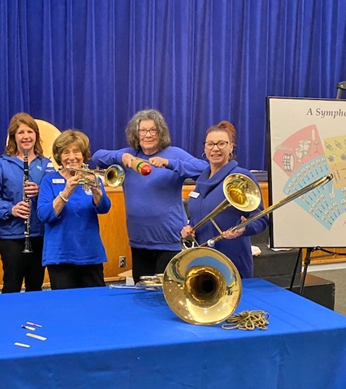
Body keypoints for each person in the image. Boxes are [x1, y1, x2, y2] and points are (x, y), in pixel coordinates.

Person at [91, 109, 208, 283]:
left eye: (153, 130)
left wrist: (169, 163)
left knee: (168, 292)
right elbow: (97, 157)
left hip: (170, 241)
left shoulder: (175, 154)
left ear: (161, 133)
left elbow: (205, 169)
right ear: (136, 134)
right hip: (139, 242)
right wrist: (120, 156)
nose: (148, 135)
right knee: (143, 292)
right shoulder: (130, 155)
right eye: (143, 130)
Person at [181, 121, 268, 278]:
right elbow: (199, 215)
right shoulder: (201, 179)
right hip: (203, 261)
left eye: (221, 143)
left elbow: (261, 220)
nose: (215, 149)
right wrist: (190, 228)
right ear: (205, 148)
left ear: (231, 147)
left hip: (233, 262)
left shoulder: (241, 177)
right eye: (210, 144)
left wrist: (244, 228)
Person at [0, 113, 54, 293]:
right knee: (11, 284)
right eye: (21, 132)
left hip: (39, 234)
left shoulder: (47, 164)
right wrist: (11, 209)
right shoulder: (1, 165)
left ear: (36, 135)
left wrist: (41, 191)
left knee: (35, 285)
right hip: (11, 235)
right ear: (13, 137)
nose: (26, 136)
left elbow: (55, 197)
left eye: (30, 132)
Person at [37, 129, 111, 289]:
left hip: (90, 254)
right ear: (59, 157)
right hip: (60, 255)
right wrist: (66, 192)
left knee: (95, 301)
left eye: (76, 151)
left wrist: (96, 191)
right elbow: (44, 215)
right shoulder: (49, 180)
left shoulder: (92, 178)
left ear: (83, 155)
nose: (72, 157)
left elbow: (104, 208)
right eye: (66, 152)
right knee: (65, 302)